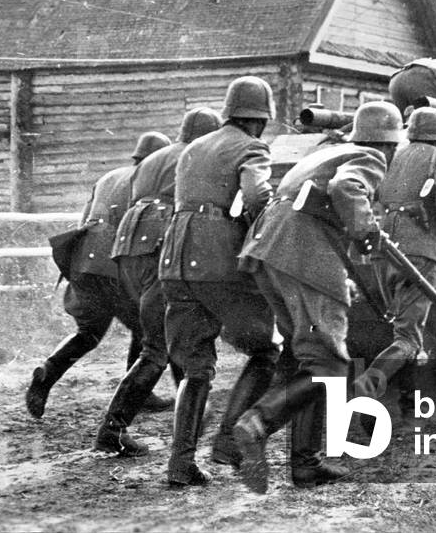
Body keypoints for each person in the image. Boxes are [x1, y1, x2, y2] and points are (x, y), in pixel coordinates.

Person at [233, 101, 401, 494]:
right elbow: (347, 189)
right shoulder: (370, 155)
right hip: (302, 254)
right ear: (390, 143)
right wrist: (368, 232)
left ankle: (306, 466)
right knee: (330, 364)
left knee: (307, 359)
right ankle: (259, 421)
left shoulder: (327, 151)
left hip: (268, 248)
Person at [158, 76, 280, 487]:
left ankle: (181, 463)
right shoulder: (251, 147)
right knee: (267, 351)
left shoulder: (194, 146)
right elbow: (259, 195)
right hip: (215, 261)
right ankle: (228, 442)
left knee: (195, 368)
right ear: (259, 121)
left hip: (174, 258)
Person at [92, 107, 222, 457]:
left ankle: (189, 413)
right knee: (158, 347)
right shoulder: (198, 156)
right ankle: (112, 430)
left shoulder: (153, 159)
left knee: (166, 335)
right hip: (163, 250)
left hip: (130, 252)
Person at [25, 131, 171, 419]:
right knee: (148, 330)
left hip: (84, 264)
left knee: (88, 332)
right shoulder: (147, 182)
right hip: (116, 266)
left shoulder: (108, 177)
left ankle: (47, 373)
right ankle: (137, 398)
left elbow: (84, 221)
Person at [351, 107, 436, 425]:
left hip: (385, 252)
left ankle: (409, 404)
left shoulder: (392, 155)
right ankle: (366, 389)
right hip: (422, 251)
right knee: (408, 336)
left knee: (404, 328)